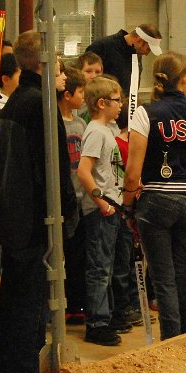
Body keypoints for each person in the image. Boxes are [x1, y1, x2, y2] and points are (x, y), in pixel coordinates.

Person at [0, 30, 76, 373]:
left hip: (15, 220)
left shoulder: (15, 101)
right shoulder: (39, 106)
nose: (62, 73)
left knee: (16, 301)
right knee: (28, 306)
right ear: (42, 62)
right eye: (57, 64)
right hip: (33, 225)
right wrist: (66, 215)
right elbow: (52, 169)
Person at [122, 52, 186, 340]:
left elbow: (132, 172)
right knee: (179, 272)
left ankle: (171, 342)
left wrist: (127, 207)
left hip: (158, 201)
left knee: (163, 277)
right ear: (184, 79)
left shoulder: (145, 113)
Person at [77, 76, 134, 346]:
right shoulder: (95, 131)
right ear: (101, 103)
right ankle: (97, 323)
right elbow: (84, 171)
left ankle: (108, 316)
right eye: (116, 100)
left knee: (110, 265)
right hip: (102, 210)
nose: (120, 105)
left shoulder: (108, 129)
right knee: (99, 268)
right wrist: (101, 201)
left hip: (114, 205)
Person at [85, 24, 162, 124]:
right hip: (101, 113)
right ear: (138, 41)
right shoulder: (102, 46)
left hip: (124, 114)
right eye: (148, 49)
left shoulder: (136, 55)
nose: (147, 54)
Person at [59, 67, 88, 324]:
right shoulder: (56, 123)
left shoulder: (81, 123)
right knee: (61, 253)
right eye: (81, 92)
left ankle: (77, 303)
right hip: (64, 198)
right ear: (68, 95)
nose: (84, 96)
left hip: (81, 197)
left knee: (78, 255)